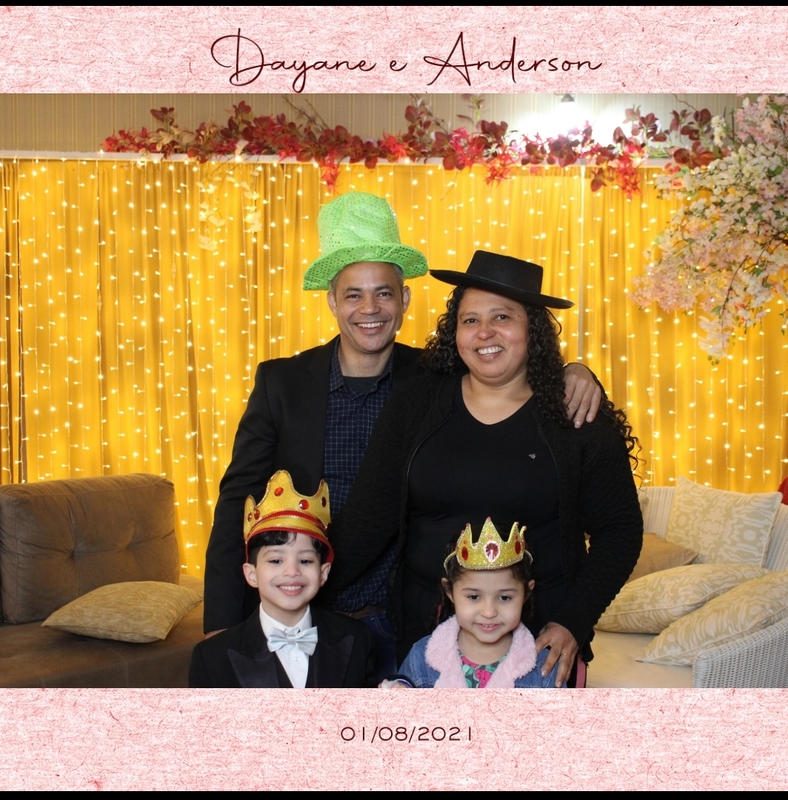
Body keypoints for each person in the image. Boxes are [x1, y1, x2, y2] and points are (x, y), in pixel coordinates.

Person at [202, 193, 605, 681]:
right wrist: (222, 622)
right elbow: (238, 502)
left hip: (408, 622)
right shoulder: (282, 384)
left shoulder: (436, 379)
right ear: (332, 302)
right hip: (310, 611)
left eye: (384, 293)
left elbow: (508, 363)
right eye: (353, 295)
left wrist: (574, 372)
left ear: (405, 299)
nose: (369, 308)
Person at [323, 250, 644, 688]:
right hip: (425, 640)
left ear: (532, 328)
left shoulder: (576, 416)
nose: (485, 332)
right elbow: (368, 520)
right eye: (470, 320)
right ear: (455, 331)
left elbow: (620, 533)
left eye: (502, 317)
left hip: (540, 646)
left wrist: (574, 622)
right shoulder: (415, 404)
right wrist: (300, 590)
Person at [189, 470, 377, 688]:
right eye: (276, 560)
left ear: (323, 573)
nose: (292, 571)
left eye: (305, 561)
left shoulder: (358, 639)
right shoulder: (211, 657)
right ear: (251, 574)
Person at [383, 519, 558, 688]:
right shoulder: (421, 658)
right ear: (449, 591)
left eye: (505, 598)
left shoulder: (544, 667)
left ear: (527, 593)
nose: (489, 612)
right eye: (474, 597)